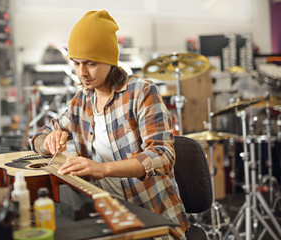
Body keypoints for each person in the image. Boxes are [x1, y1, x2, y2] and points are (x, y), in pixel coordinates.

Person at [31, 9, 189, 239]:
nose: (81, 73)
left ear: (109, 60)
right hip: (107, 215)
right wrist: (49, 141)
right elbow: (38, 136)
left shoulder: (141, 92)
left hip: (153, 219)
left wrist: (103, 169)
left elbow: (162, 155)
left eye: (90, 63)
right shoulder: (82, 100)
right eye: (75, 63)